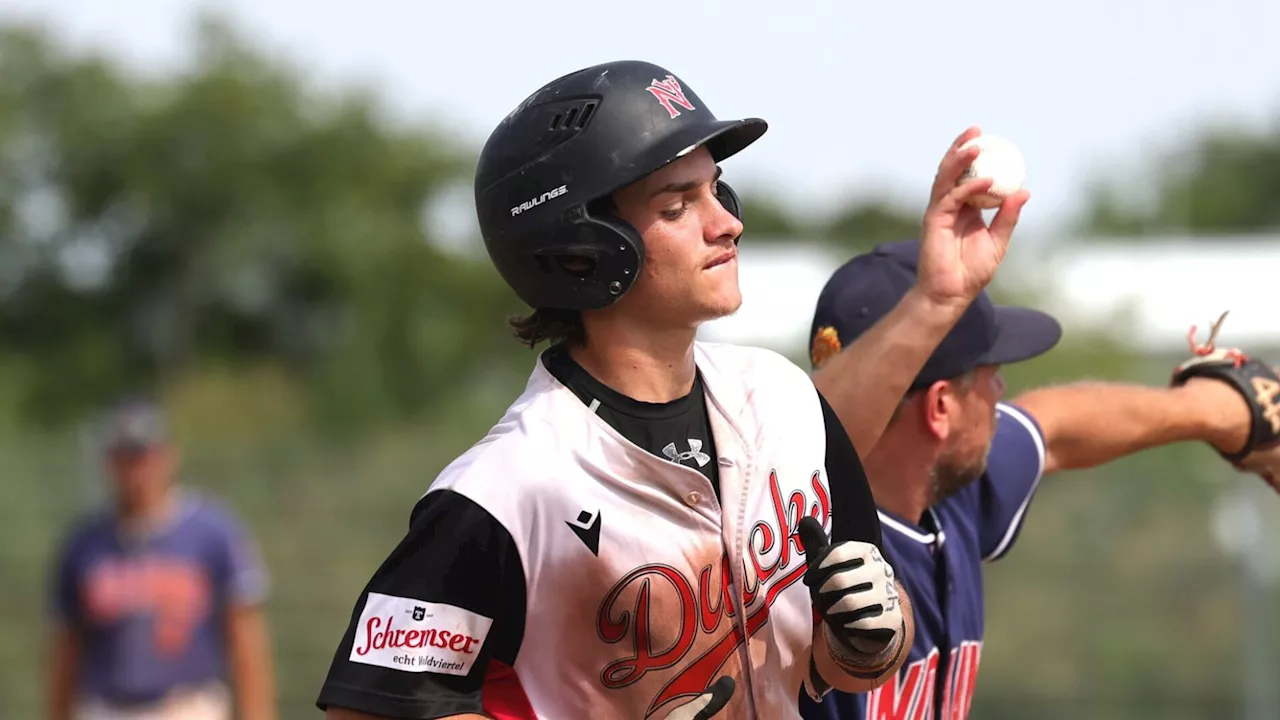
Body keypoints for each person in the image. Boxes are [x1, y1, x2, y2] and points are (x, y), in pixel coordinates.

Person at [314, 60, 1029, 720]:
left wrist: (868, 644)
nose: (728, 222)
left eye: (718, 189)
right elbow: (372, 706)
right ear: (579, 250)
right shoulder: (508, 489)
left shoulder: (784, 402)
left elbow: (847, 662)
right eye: (679, 204)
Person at [798, 238, 1280, 720]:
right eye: (992, 373)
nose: (1002, 390)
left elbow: (1054, 426)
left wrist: (1220, 411)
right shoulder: (782, 554)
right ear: (941, 407)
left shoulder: (949, 495)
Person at [46, 396, 277, 720]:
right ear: (108, 463)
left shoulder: (211, 531)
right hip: (104, 708)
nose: (135, 469)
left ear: (168, 456)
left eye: (142, 455)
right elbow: (66, 651)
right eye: (123, 456)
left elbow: (245, 640)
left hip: (185, 707)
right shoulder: (85, 543)